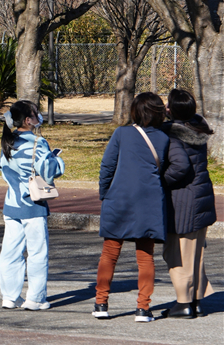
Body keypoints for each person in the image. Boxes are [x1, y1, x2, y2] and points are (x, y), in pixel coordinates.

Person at [93, 92, 171, 322]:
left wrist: (104, 193)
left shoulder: (122, 133)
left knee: (109, 254)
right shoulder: (164, 138)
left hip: (120, 198)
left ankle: (101, 303)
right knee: (145, 256)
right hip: (149, 200)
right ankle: (143, 308)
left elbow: (107, 166)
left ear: (135, 111)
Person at [0, 100, 64, 311]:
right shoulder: (38, 142)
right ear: (28, 120)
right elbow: (49, 170)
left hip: (11, 204)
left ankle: (9, 296)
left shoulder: (9, 141)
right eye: (36, 114)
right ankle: (35, 298)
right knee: (37, 253)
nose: (39, 117)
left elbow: (3, 168)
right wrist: (57, 159)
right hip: (33, 206)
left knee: (10, 252)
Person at [160, 88, 217, 318]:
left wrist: (161, 181)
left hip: (183, 200)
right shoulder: (197, 127)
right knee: (195, 253)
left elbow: (180, 167)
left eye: (168, 104)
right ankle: (196, 301)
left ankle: (184, 303)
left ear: (172, 110)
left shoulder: (173, 134)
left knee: (178, 253)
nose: (164, 107)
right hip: (201, 196)